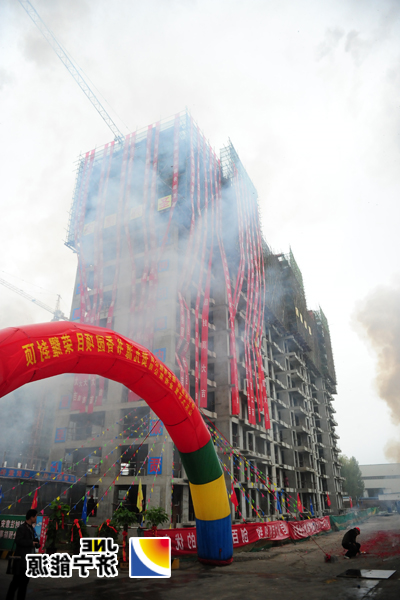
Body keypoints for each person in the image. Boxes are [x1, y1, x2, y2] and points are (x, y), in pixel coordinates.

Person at [6, 509, 40, 600]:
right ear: (31, 517)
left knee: (24, 584)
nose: (36, 518)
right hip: (21, 561)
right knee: (16, 582)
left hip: (28, 561)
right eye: (35, 516)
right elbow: (18, 541)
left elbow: (32, 540)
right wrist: (31, 543)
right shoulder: (22, 528)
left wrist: (36, 542)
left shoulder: (31, 528)